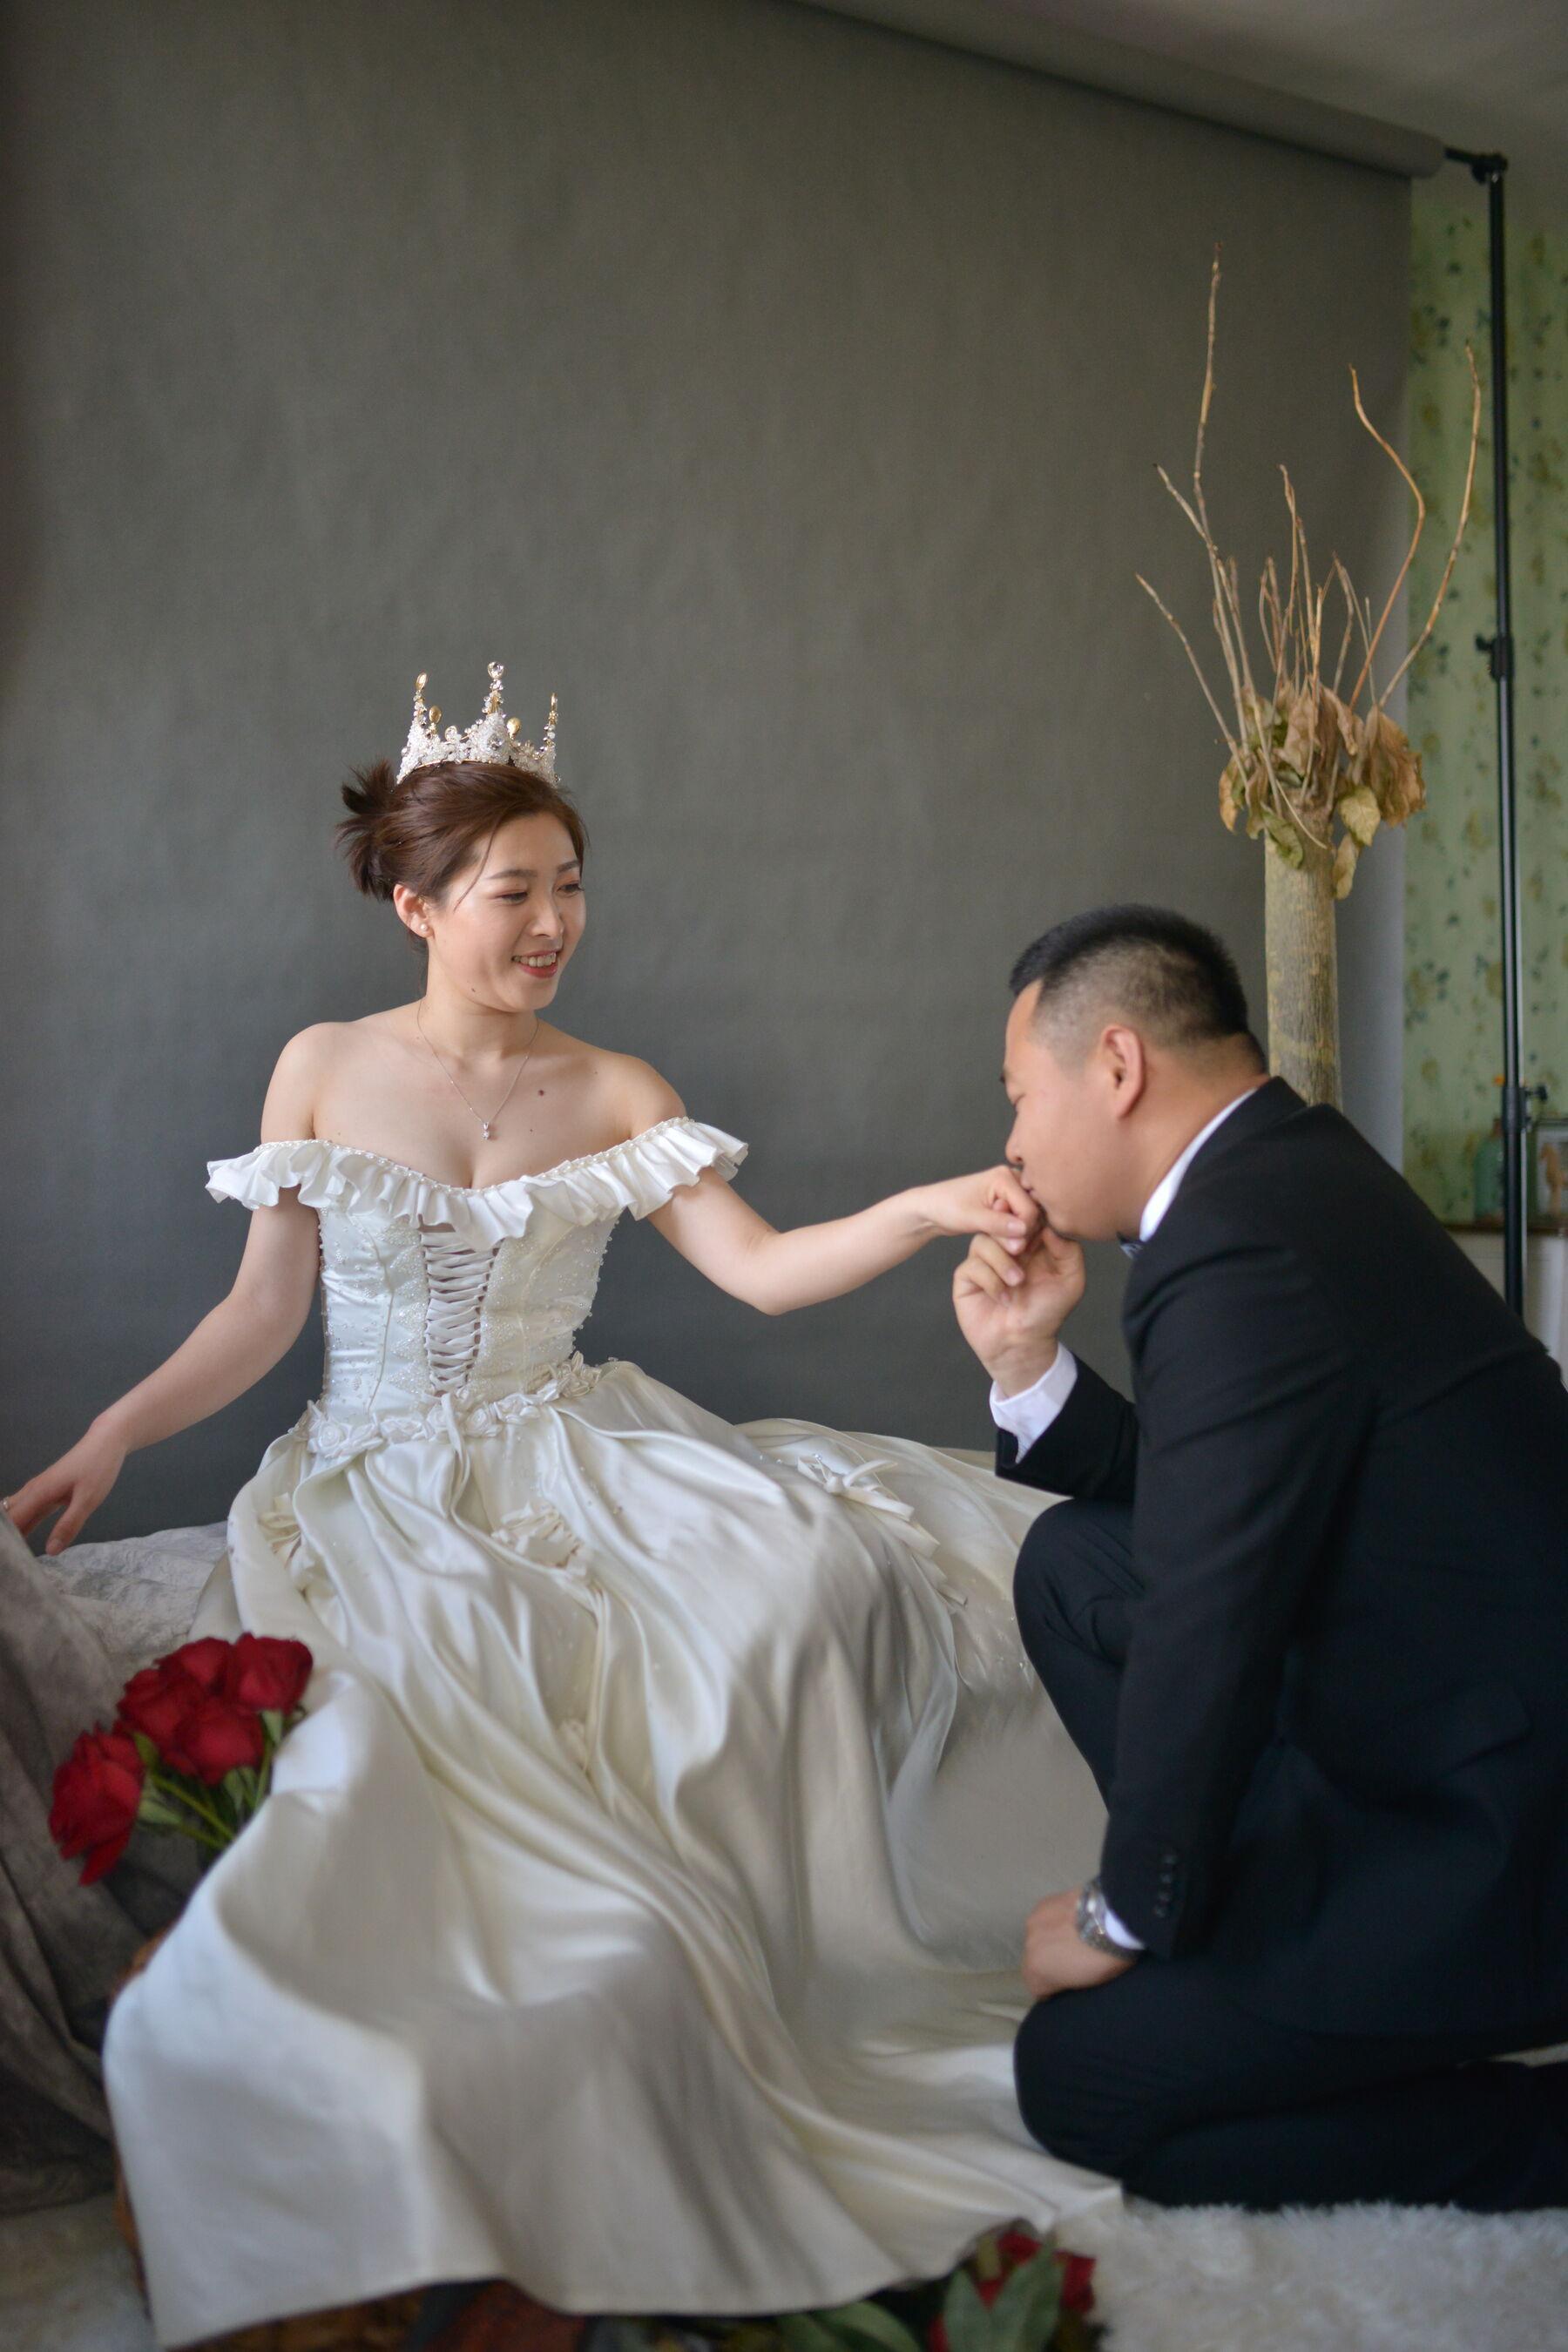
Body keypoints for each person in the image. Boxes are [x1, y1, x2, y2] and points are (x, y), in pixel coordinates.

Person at [3, 666, 1112, 2349]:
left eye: (570, 886)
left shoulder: (615, 1087)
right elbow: (261, 1313)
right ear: (416, 905)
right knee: (435, 1723)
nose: (553, 924)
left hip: (579, 1445)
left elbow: (761, 1274)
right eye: (513, 892)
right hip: (378, 1473)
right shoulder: (323, 1067)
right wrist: (111, 1433)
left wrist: (922, 1210)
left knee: (806, 1584)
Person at [953, 904, 1568, 2213]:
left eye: (1019, 1096)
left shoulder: (1238, 1239)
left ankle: (1531, 2130)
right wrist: (1027, 1366)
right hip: (1431, 1695)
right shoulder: (1283, 1169)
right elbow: (1216, 1506)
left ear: (1117, 1067)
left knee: (1080, 2081)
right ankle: (1246, 1920)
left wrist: (1126, 1911)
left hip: (1497, 1827)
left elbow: (1208, 1611)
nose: (1012, 1144)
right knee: (1072, 1564)